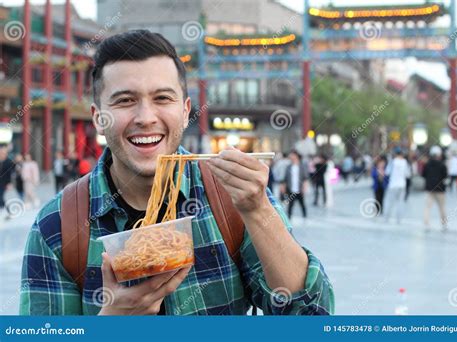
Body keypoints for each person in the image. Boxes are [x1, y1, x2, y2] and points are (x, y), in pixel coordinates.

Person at [20, 30, 334, 316]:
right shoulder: (57, 226)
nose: (145, 117)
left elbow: (311, 317)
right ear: (99, 118)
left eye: (162, 98)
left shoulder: (233, 198)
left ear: (184, 112)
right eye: (125, 101)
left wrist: (260, 212)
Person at [422, 146, 448, 231]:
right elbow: (445, 176)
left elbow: (423, 174)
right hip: (440, 189)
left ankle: (426, 224)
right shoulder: (442, 165)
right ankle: (444, 224)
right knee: (442, 207)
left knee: (427, 207)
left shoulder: (427, 164)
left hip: (429, 188)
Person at [384, 147, 410, 224]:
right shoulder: (405, 162)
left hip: (393, 185)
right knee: (400, 202)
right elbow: (408, 174)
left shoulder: (392, 162)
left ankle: (386, 218)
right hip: (402, 185)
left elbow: (387, 172)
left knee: (390, 202)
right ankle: (398, 220)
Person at [283, 150, 309, 219]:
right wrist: (283, 187)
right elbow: (285, 178)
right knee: (290, 205)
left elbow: (305, 178)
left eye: (292, 155)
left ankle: (304, 216)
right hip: (291, 189)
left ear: (296, 156)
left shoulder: (302, 166)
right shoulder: (288, 167)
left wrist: (304, 187)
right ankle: (289, 218)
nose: (290, 156)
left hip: (299, 189)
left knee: (302, 203)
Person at [0, 147, 15, 219]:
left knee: (1, 196)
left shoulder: (8, 162)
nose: (1, 154)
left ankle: (7, 211)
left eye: (3, 153)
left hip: (4, 182)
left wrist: (9, 183)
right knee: (1, 198)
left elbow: (10, 173)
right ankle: (8, 211)